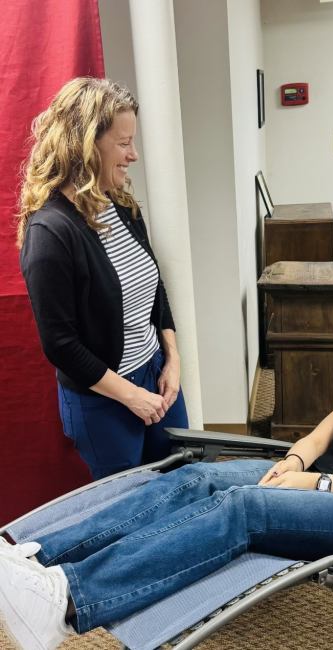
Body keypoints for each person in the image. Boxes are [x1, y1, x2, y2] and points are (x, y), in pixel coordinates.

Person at [0, 311, 333, 650]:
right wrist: (297, 463)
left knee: (245, 507)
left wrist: (320, 485)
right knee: (198, 477)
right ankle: (36, 555)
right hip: (316, 482)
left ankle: (67, 599)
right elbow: (318, 437)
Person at [16, 78, 188, 480]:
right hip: (105, 399)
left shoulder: (122, 203)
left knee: (179, 483)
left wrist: (173, 360)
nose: (134, 154)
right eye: (123, 143)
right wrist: (132, 397)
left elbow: (155, 288)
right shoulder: (51, 232)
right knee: (131, 510)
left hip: (155, 374)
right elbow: (60, 345)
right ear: (86, 143)